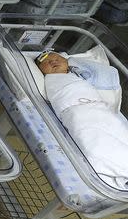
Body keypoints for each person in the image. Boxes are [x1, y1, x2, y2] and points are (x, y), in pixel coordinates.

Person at [35, 50, 128, 186]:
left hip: (100, 110)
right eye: (46, 62)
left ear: (67, 62)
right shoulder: (50, 80)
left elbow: (106, 74)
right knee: (94, 147)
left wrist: (73, 62)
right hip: (78, 113)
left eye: (56, 58)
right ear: (40, 69)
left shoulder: (78, 74)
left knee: (121, 133)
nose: (52, 61)